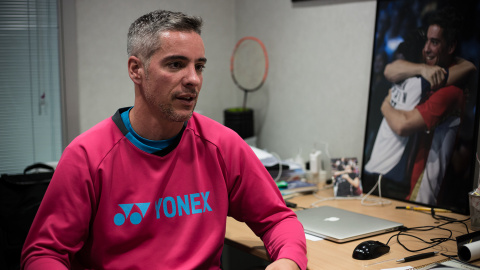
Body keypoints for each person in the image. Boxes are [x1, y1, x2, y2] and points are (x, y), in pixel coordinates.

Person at [20, 10, 307, 270]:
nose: (193, 79)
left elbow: (278, 219)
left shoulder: (222, 145)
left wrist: (288, 261)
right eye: (176, 64)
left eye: (199, 66)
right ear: (136, 70)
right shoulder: (87, 156)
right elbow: (43, 254)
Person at [380, 7, 476, 204]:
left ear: (450, 48)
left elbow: (402, 125)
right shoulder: (426, 76)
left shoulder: (450, 92)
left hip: (425, 197)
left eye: (435, 42)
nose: (427, 49)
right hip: (404, 191)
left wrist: (385, 104)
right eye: (427, 41)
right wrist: (422, 68)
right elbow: (390, 70)